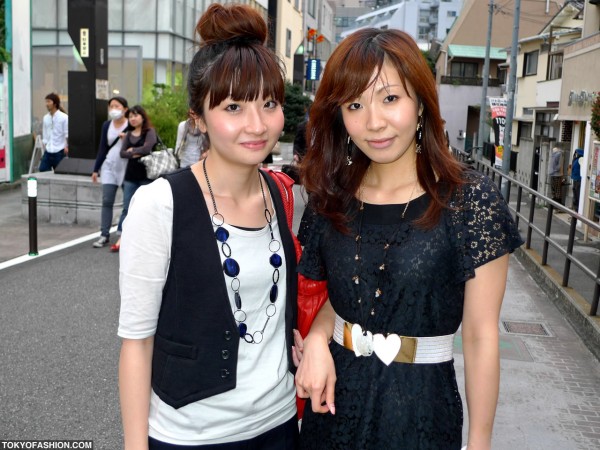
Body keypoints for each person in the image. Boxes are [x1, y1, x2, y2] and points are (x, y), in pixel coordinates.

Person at [294, 28, 523, 450]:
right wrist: (316, 339)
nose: (373, 122)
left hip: (421, 413)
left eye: (390, 98)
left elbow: (479, 335)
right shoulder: (332, 197)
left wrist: (480, 443)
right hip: (334, 410)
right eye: (355, 104)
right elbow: (345, 293)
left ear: (419, 102)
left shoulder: (469, 201)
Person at [118, 3, 299, 449]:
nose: (257, 125)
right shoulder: (160, 204)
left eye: (269, 103)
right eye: (234, 106)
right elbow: (136, 344)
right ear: (197, 117)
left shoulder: (282, 195)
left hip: (279, 424)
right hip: (189, 435)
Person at [112, 105, 156, 252]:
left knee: (146, 208)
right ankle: (122, 237)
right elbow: (122, 153)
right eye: (131, 116)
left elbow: (147, 148)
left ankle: (146, 237)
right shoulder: (129, 134)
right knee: (127, 208)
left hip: (146, 176)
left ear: (142, 117)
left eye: (136, 115)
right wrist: (135, 153)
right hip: (130, 176)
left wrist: (133, 150)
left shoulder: (149, 132)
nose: (133, 118)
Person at [91, 96, 130, 248]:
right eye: (111, 106)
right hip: (109, 165)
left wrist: (128, 138)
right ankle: (104, 234)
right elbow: (102, 147)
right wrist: (96, 169)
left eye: (117, 106)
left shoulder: (131, 124)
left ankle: (123, 233)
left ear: (125, 109)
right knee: (107, 200)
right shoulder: (107, 125)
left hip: (127, 167)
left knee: (127, 203)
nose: (114, 109)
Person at [39, 93, 69, 172]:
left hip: (60, 151)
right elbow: (45, 133)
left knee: (61, 174)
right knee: (43, 170)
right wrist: (45, 144)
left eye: (49, 102)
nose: (46, 104)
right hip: (48, 150)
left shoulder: (64, 117)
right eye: (46, 102)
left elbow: (67, 134)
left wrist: (67, 146)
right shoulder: (45, 118)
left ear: (55, 103)